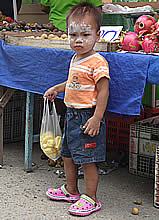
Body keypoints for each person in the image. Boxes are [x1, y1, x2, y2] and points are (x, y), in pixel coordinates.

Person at [44, 2, 110, 217]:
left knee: (88, 159)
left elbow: (103, 91)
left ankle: (91, 198)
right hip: (71, 115)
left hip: (87, 116)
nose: (78, 40)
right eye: (73, 35)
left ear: (97, 35)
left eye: (85, 34)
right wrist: (58, 88)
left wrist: (97, 118)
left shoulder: (98, 61)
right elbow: (73, 82)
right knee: (68, 155)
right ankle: (71, 190)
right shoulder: (76, 58)